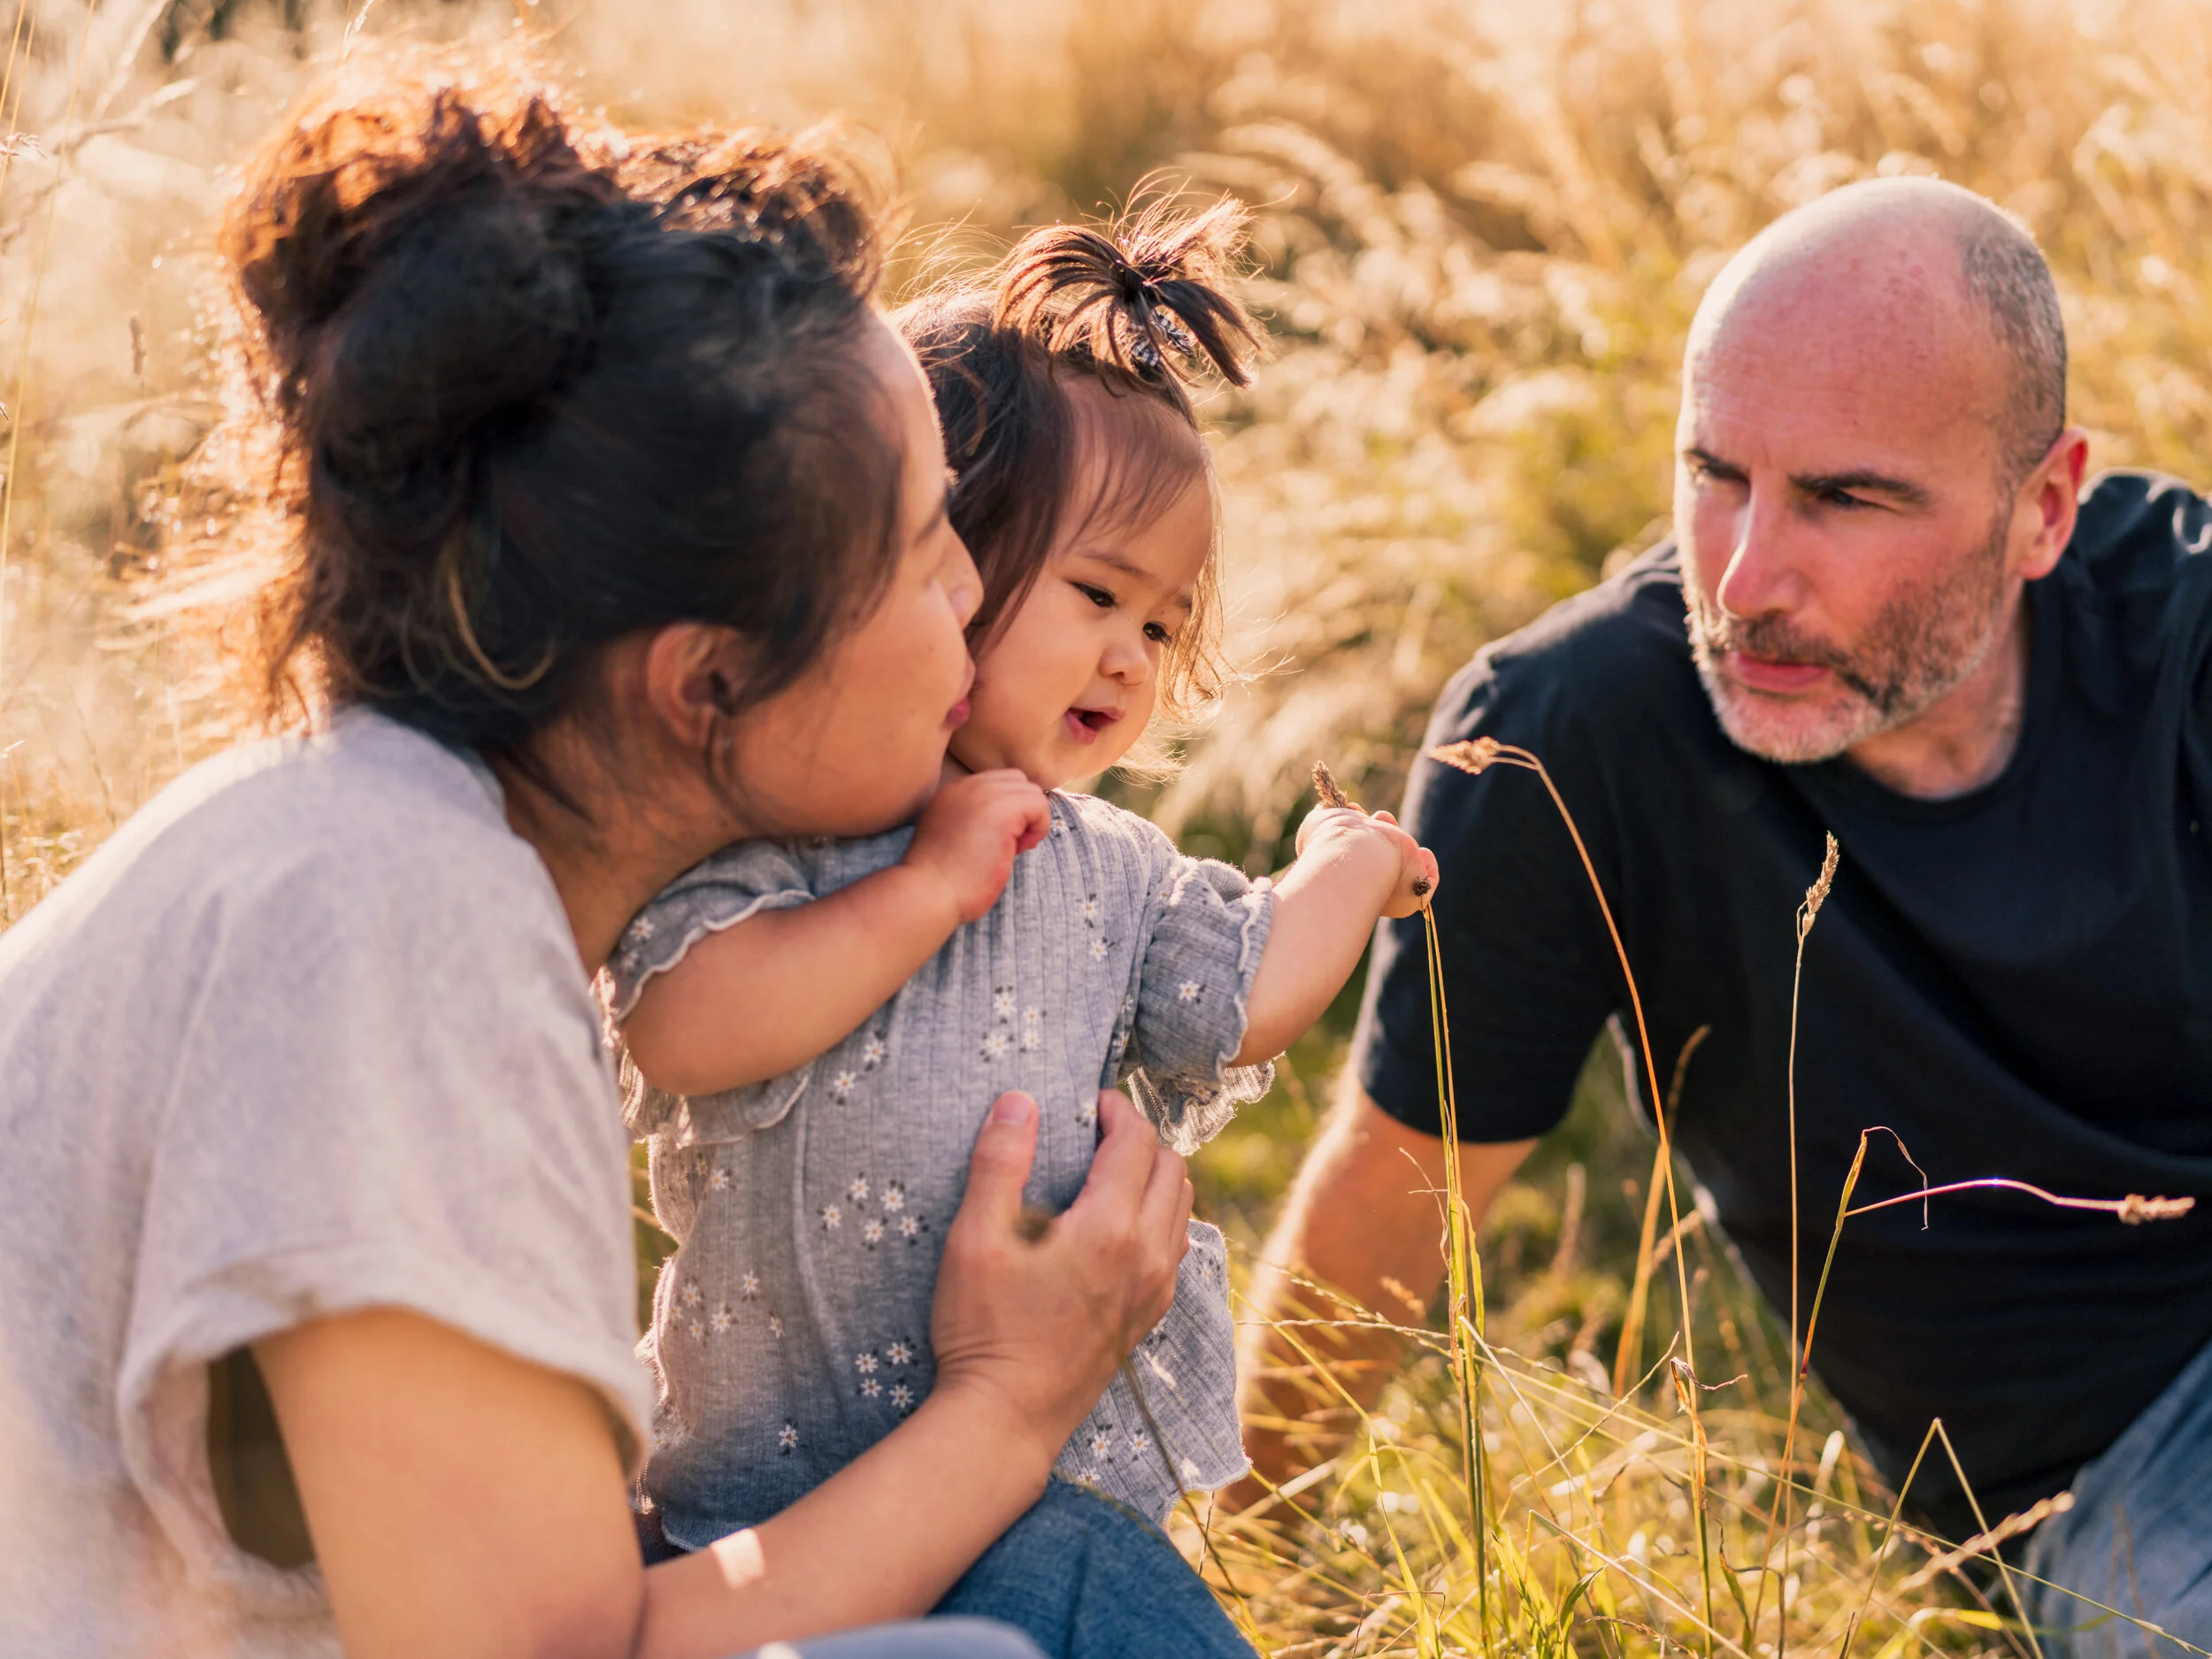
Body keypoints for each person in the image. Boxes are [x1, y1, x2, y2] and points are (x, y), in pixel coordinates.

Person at [0, 65, 1230, 1659]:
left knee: (1054, 1581)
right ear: (709, 679)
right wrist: (1013, 1395)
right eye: (931, 547)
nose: (972, 598)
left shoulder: (382, 847)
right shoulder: (398, 935)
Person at [1237, 176, 2212, 1654]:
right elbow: (1390, 1203)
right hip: (2121, 1470)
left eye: (1844, 496)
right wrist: (1225, 1582)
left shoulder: (2182, 634)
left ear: (2045, 511)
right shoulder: (1562, 745)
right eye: (1715, 472)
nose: (1746, 579)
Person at [611, 206, 1438, 1555]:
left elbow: (1243, 995)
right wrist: (926, 889)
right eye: (1099, 595)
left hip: (1031, 1503)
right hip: (754, 1512)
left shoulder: (1112, 872)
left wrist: (1344, 867)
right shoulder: (802, 829)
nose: (1132, 656)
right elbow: (683, 1023)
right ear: (936, 557)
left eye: (1164, 623)